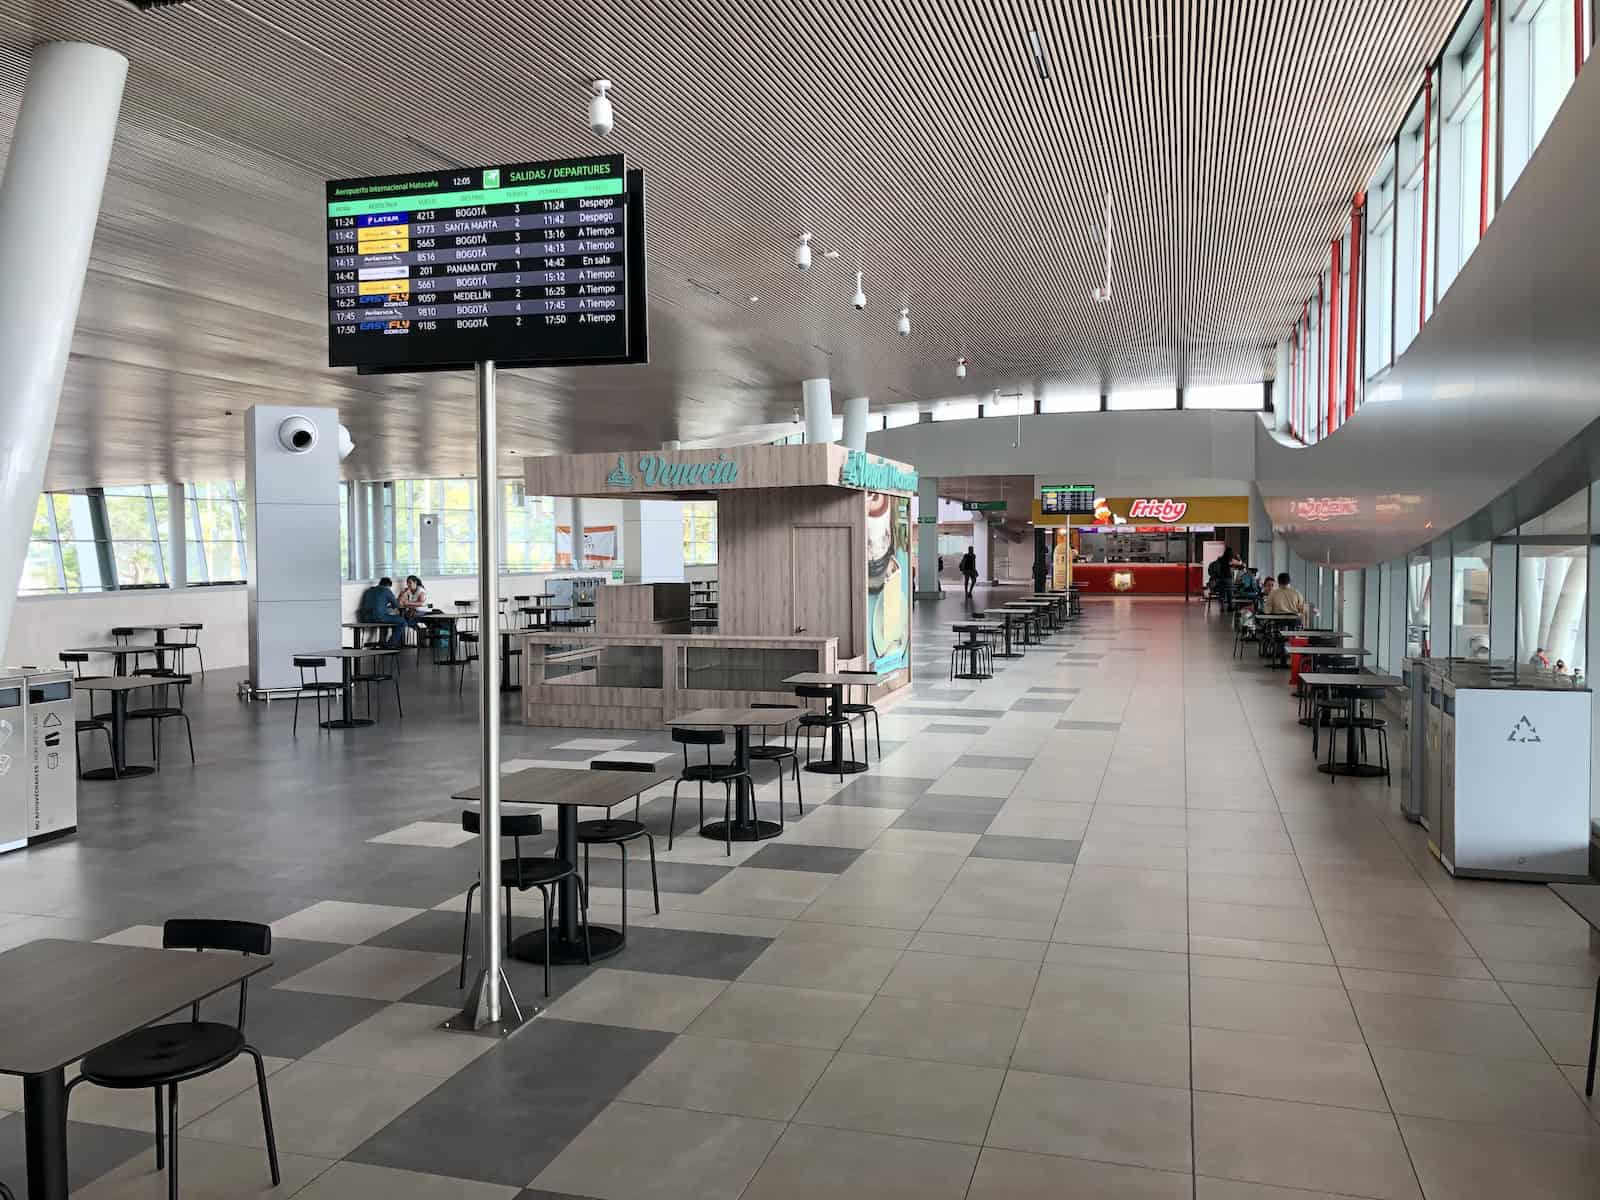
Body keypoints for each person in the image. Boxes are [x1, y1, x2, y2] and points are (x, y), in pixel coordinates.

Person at [358, 576, 407, 648]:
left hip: (366, 618)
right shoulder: (386, 590)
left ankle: (382, 642)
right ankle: (391, 644)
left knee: (385, 620)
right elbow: (396, 605)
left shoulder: (370, 590)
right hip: (379, 618)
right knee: (402, 622)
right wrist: (402, 595)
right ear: (388, 586)